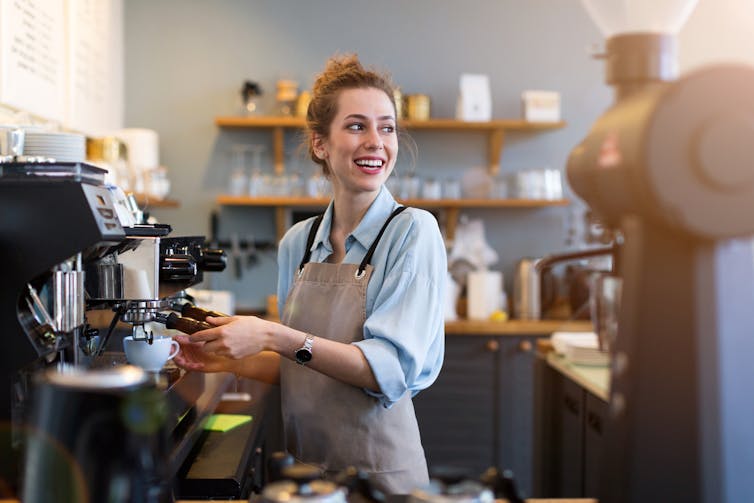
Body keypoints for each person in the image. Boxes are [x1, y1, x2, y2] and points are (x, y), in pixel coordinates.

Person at [173, 54, 447, 495]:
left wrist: (270, 335)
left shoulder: (413, 231)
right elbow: (301, 366)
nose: (376, 141)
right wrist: (224, 358)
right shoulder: (297, 242)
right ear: (320, 144)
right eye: (357, 126)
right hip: (304, 475)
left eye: (387, 126)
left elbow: (388, 371)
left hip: (378, 478)